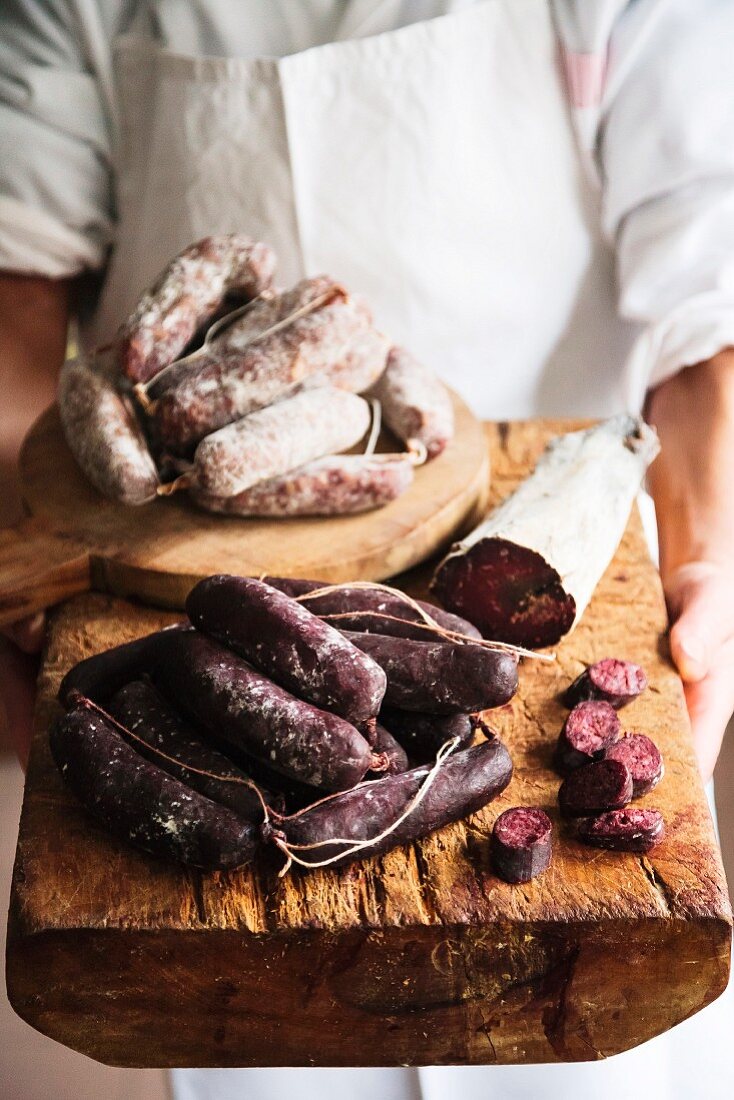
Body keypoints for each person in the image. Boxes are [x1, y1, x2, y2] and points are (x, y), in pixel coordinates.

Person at [1, 1, 733, 1097]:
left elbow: (707, 309)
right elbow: (15, 292)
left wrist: (710, 552)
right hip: (157, 583)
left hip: (547, 585)